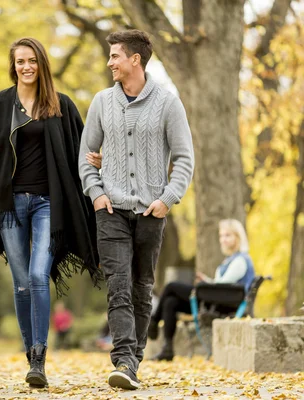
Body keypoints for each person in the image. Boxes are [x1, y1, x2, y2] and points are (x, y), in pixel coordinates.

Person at [0, 37, 101, 389]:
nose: (26, 66)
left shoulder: (61, 106)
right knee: (21, 282)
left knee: (39, 275)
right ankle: (29, 354)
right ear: (13, 66)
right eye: (20, 61)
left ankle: (39, 356)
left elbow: (82, 150)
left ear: (41, 64)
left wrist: (97, 160)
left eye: (32, 60)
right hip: (8, 205)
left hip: (48, 203)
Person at [78, 29, 194, 390]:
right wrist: (96, 193)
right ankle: (124, 360)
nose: (109, 62)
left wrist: (167, 200)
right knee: (118, 286)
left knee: (143, 286)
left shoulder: (168, 103)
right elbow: (85, 156)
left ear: (135, 60)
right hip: (110, 210)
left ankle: (134, 360)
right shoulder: (100, 102)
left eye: (115, 55)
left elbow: (185, 159)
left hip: (150, 212)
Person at [148, 219, 255, 361]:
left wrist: (207, 285)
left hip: (223, 304)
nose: (223, 240)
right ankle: (167, 349)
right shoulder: (230, 260)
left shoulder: (240, 260)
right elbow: (221, 285)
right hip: (218, 300)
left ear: (238, 237)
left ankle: (154, 320)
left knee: (172, 286)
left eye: (228, 235)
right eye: (221, 236)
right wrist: (207, 281)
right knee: (170, 302)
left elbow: (223, 287)